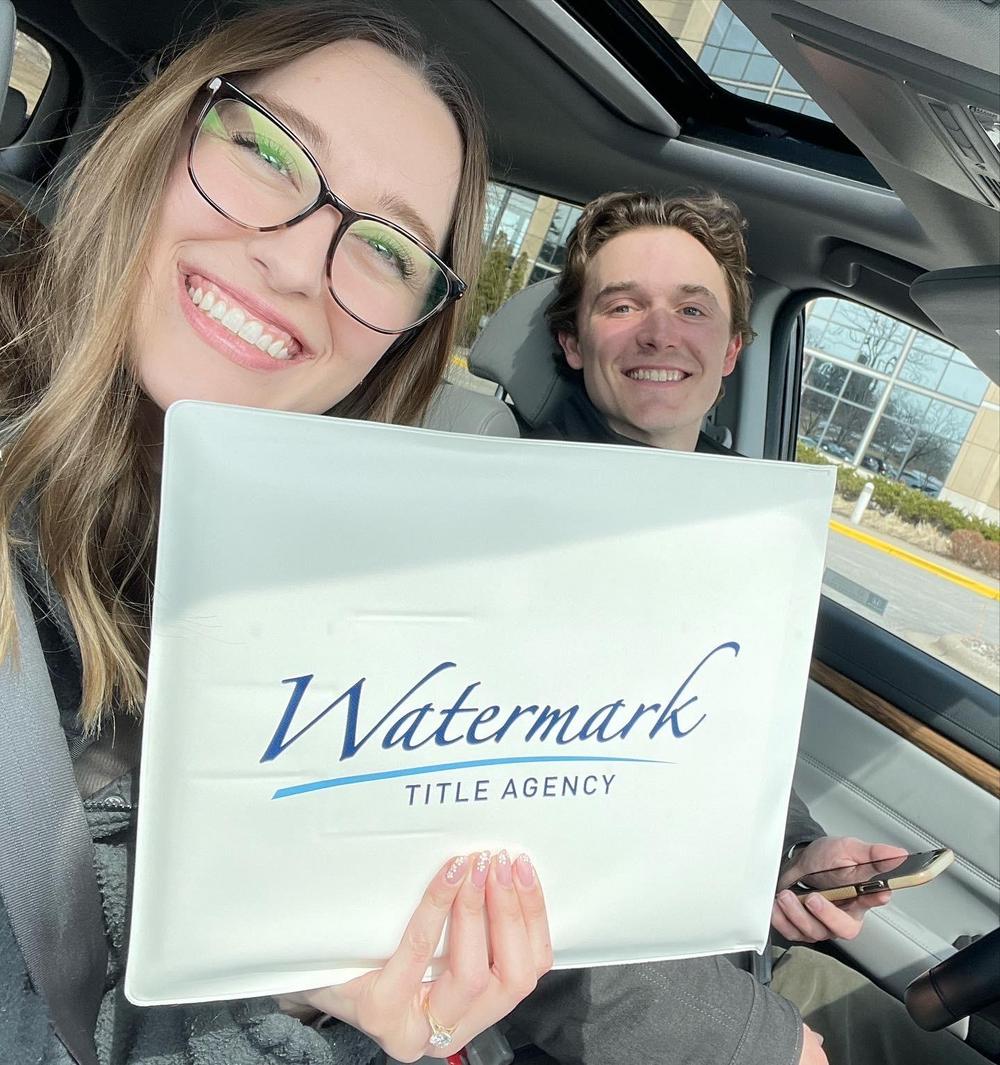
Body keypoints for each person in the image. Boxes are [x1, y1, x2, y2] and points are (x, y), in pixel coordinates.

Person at [0, 5, 553, 1063]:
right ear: (163, 130)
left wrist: (309, 1006)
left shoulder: (339, 631)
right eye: (268, 152)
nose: (301, 265)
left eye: (387, 249)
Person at [508, 189, 986, 1065]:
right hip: (587, 1007)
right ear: (572, 341)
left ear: (731, 350)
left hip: (729, 959)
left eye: (693, 309)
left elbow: (722, 748)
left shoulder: (747, 528)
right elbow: (493, 887)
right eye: (623, 305)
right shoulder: (507, 535)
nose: (661, 333)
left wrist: (789, 857)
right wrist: (756, 1041)